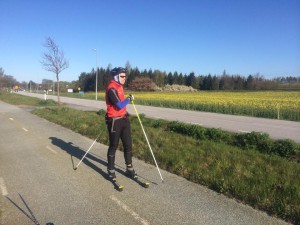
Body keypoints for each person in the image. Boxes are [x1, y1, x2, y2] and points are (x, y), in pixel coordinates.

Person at [105, 67, 136, 180]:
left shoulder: (120, 87)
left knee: (128, 145)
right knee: (113, 146)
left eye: (125, 76)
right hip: (114, 121)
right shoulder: (111, 88)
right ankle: (111, 170)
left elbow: (122, 107)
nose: (124, 78)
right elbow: (119, 105)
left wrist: (125, 111)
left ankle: (129, 168)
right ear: (116, 77)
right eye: (122, 76)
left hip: (123, 119)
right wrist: (129, 99)